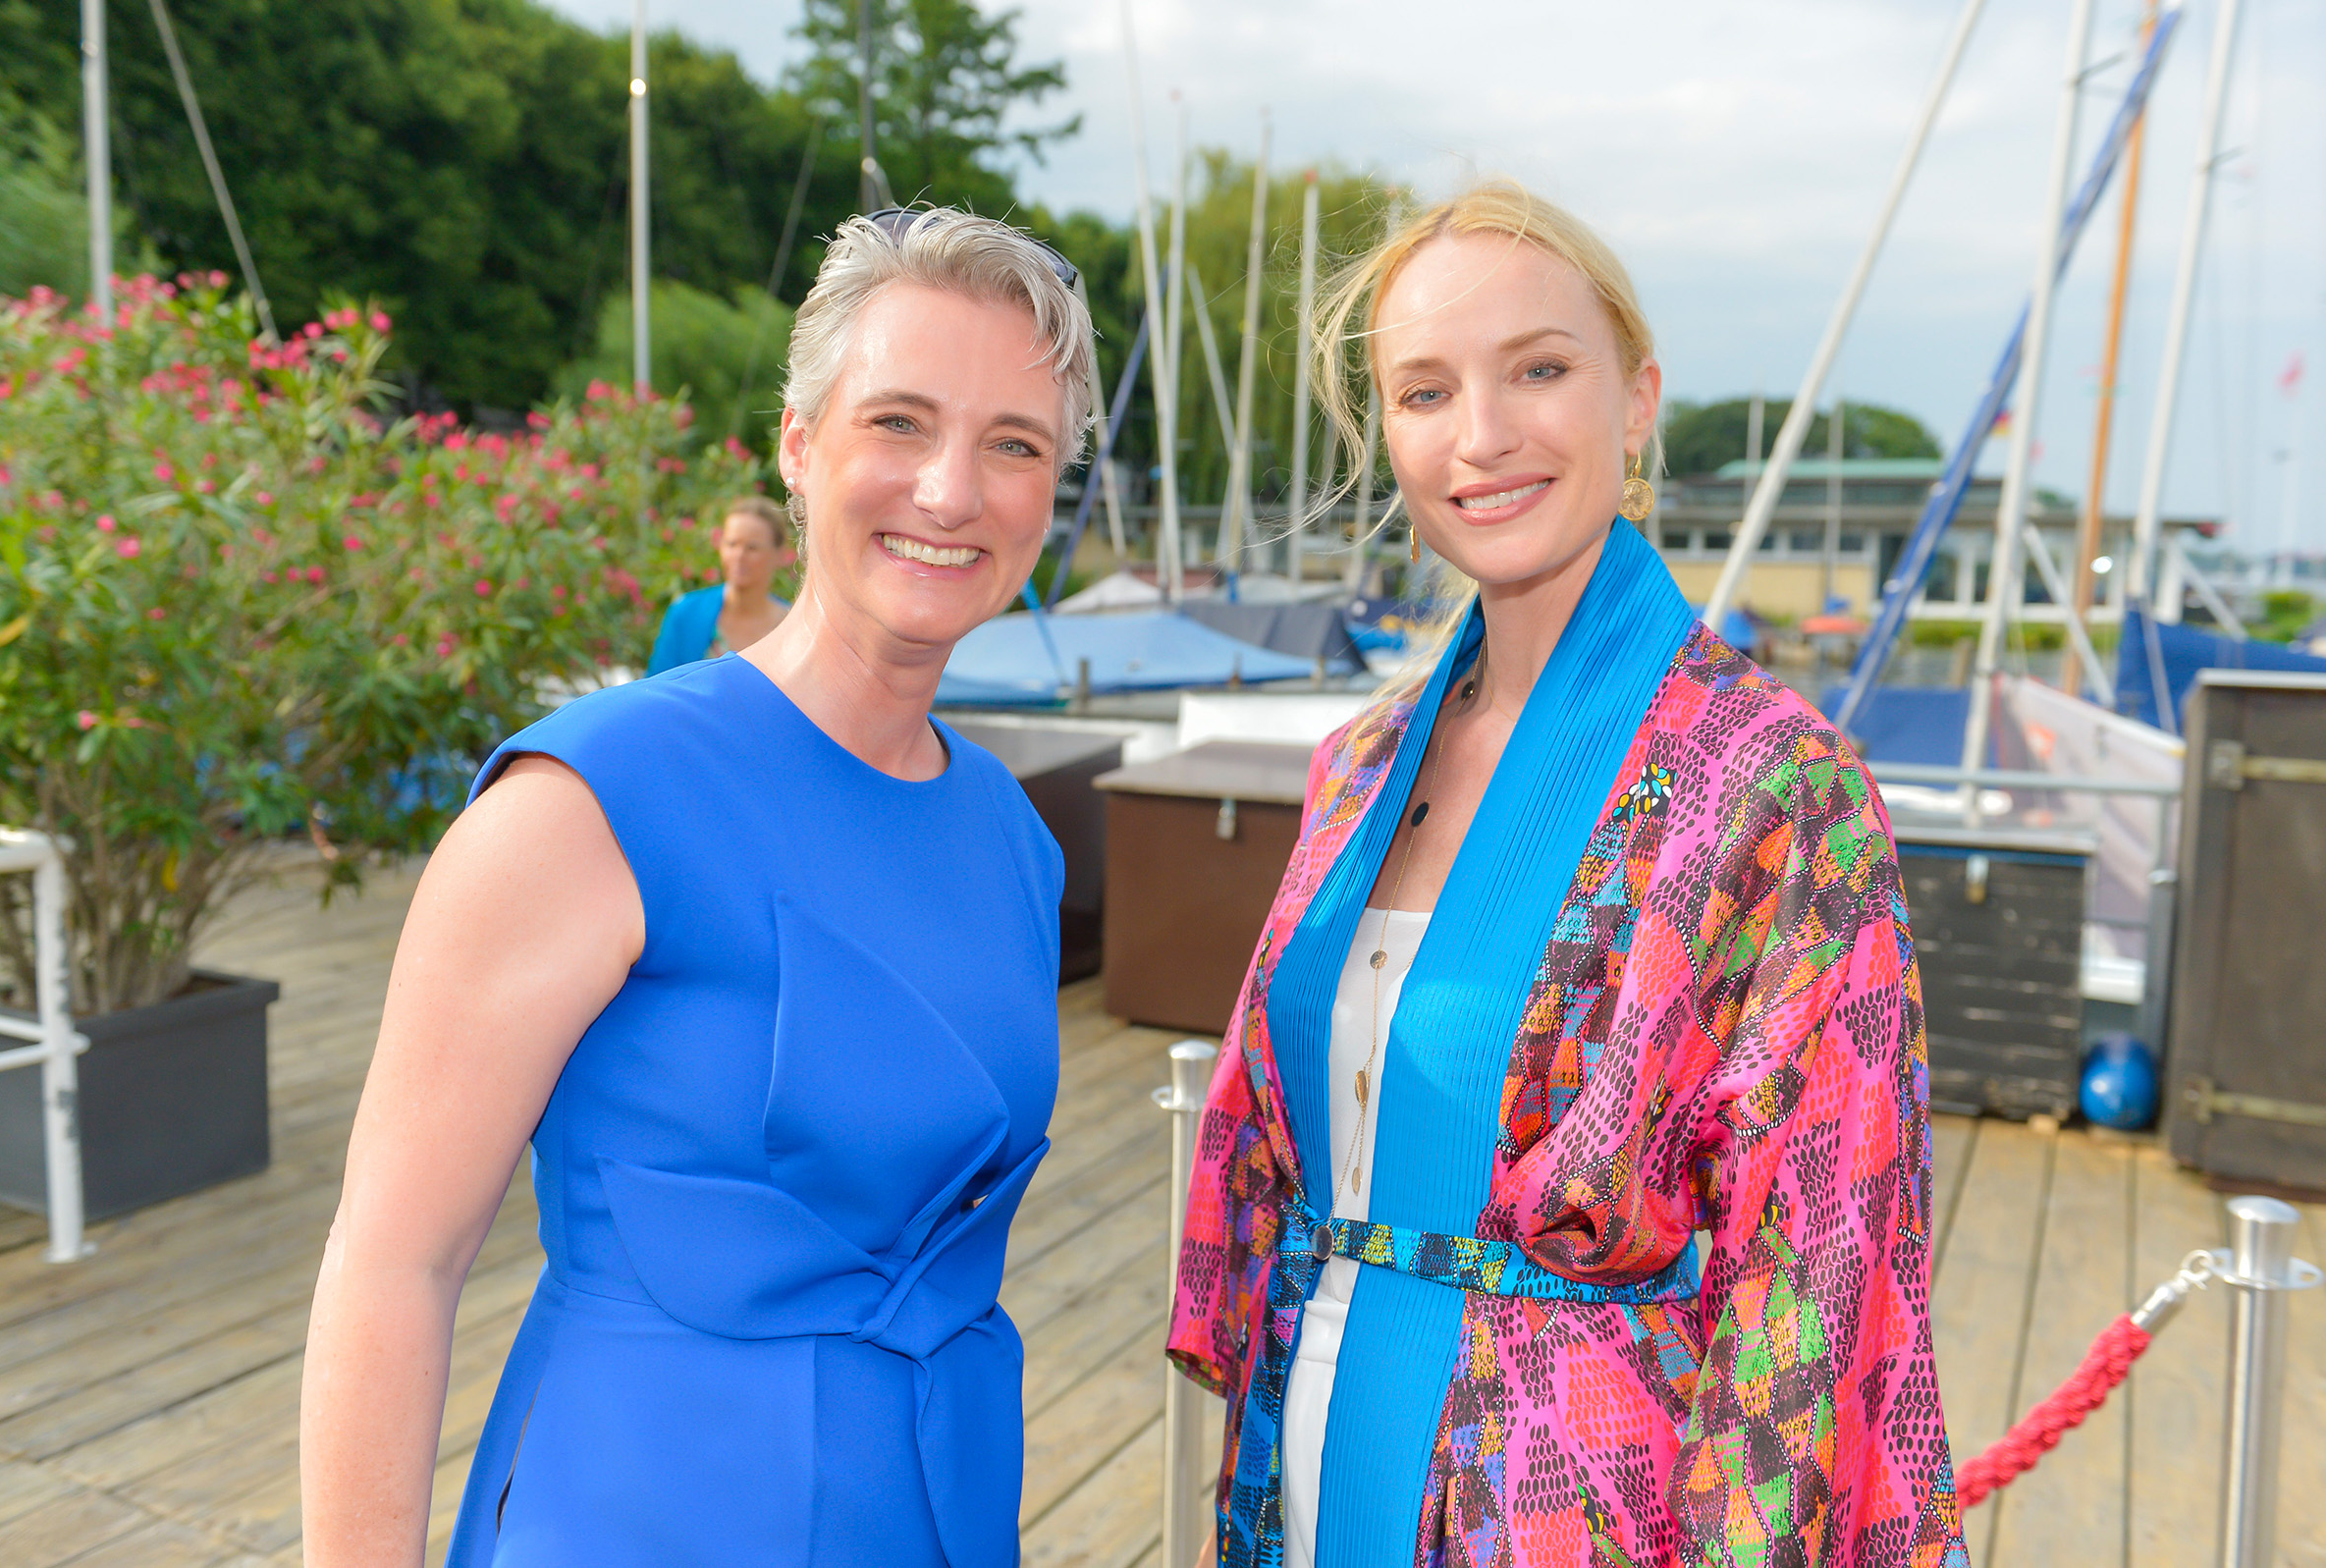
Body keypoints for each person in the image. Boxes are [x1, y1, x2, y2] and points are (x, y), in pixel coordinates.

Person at [1167, 182, 1965, 1568]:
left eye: (1538, 369)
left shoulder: (1776, 787)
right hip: (1308, 1441)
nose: (1481, 435)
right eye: (1425, 391)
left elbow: (1823, 1265)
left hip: (1572, 1501)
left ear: (1637, 399)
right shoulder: (1360, 767)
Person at [299, 205, 1096, 1568]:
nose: (950, 490)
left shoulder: (1013, 839)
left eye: (1013, 444)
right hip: (643, 1511)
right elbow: (392, 1265)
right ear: (799, 445)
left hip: (937, 1510)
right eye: (899, 422)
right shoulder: (588, 803)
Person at [646, 495, 798, 675]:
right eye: (732, 544)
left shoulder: (792, 627)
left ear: (780, 554)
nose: (739, 556)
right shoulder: (687, 613)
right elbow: (656, 683)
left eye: (752, 547)